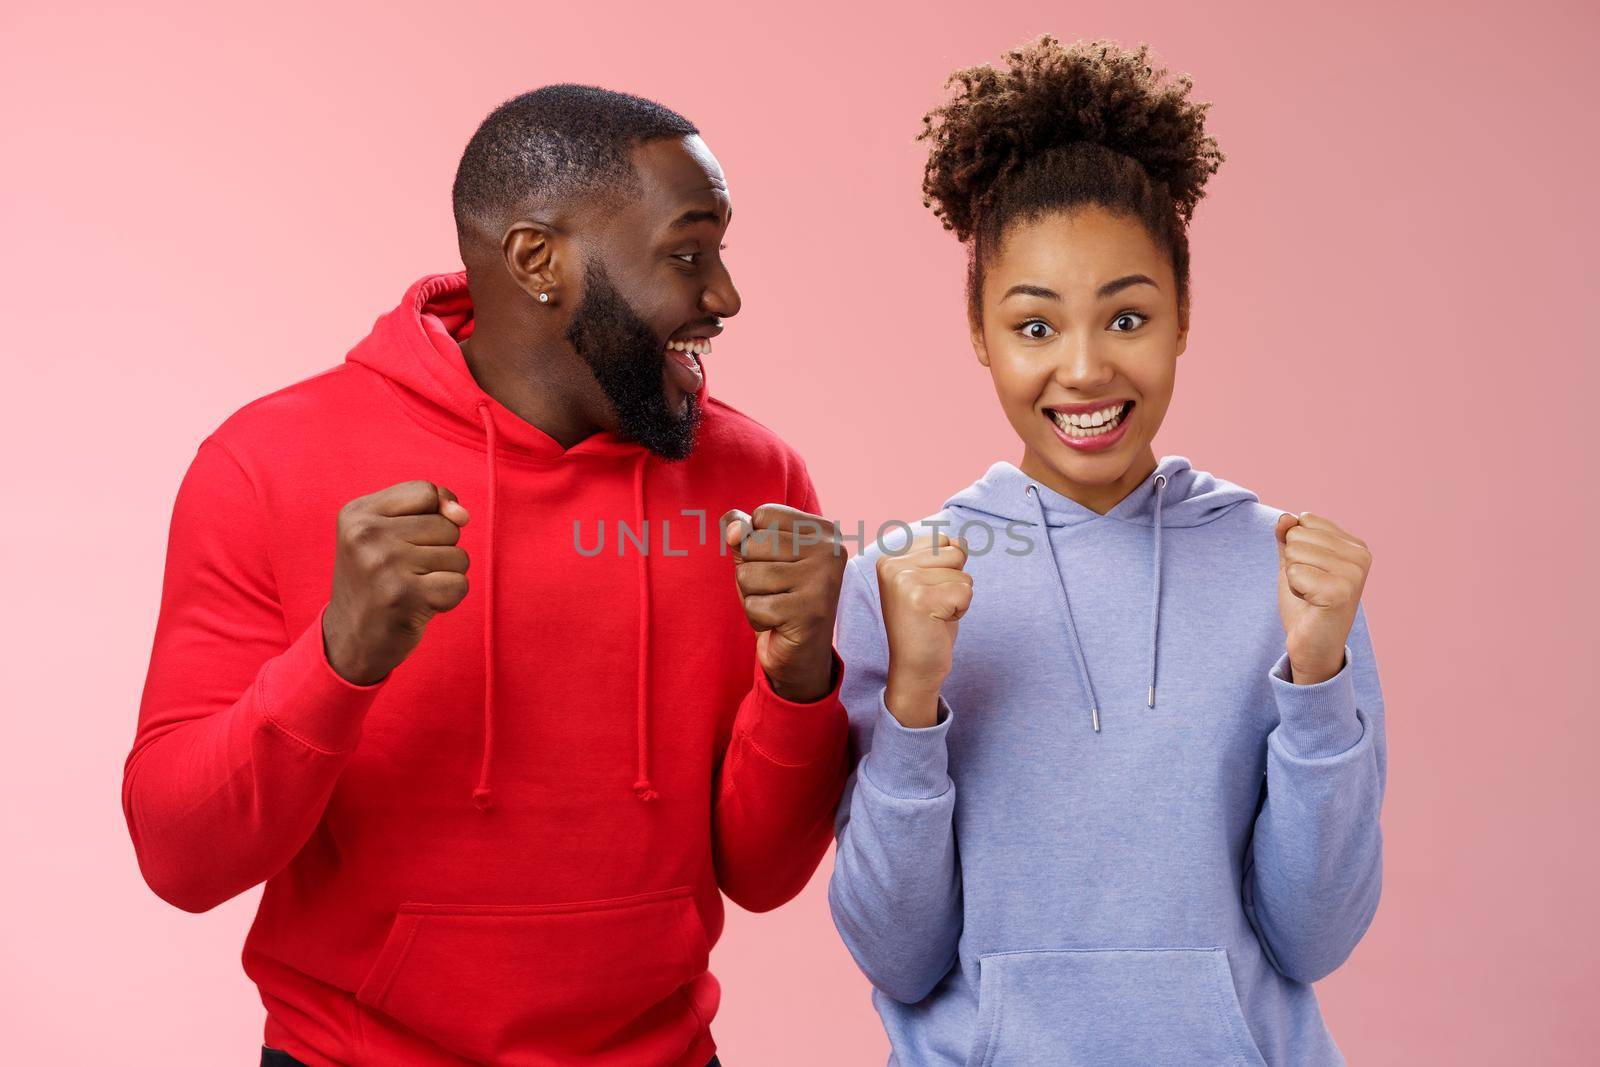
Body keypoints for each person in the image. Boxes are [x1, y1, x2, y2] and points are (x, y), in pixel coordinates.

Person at [123, 84, 851, 1067]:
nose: (722, 296)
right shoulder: (265, 462)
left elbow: (761, 876)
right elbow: (180, 857)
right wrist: (338, 658)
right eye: (687, 254)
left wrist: (800, 672)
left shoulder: (755, 479)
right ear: (539, 261)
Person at [827, 36, 1387, 1065]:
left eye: (1125, 316)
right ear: (980, 333)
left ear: (1182, 319)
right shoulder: (901, 579)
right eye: (1035, 327)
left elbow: (1317, 934)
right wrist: (913, 694)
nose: (1084, 369)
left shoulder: (1290, 570)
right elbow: (897, 956)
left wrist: (1318, 675)